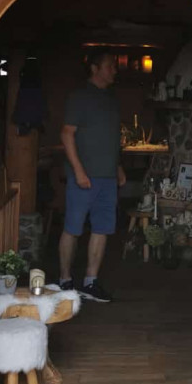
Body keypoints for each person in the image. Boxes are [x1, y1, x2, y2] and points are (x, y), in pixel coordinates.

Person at [58, 50, 125, 302]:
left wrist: (117, 167)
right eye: (110, 66)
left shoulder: (111, 100)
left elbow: (111, 138)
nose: (114, 70)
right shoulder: (80, 97)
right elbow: (67, 134)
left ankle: (90, 282)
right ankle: (65, 281)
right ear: (95, 68)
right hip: (83, 177)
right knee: (73, 228)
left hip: (107, 177)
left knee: (102, 228)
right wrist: (78, 171)